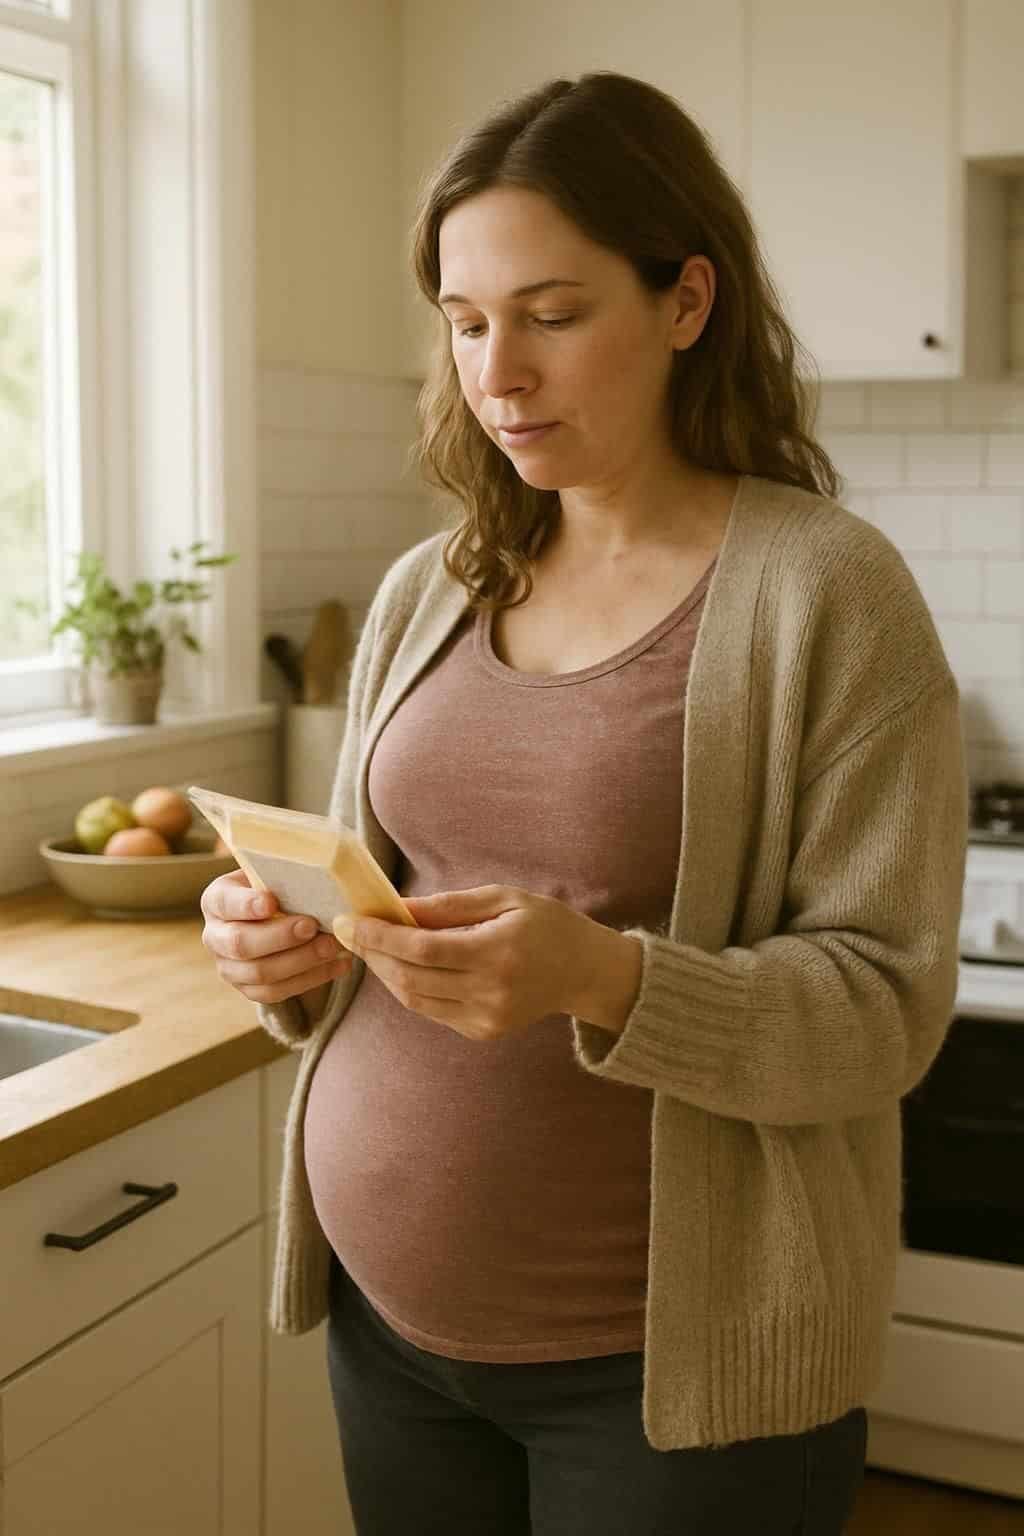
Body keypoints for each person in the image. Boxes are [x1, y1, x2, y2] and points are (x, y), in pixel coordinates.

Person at [199, 70, 968, 1535]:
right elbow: (388, 892)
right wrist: (286, 956)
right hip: (391, 1329)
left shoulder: (826, 591)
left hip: (665, 1381)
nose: (500, 373)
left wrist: (607, 980)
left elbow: (885, 1012)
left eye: (552, 315)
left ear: (687, 301)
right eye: (467, 322)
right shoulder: (434, 585)